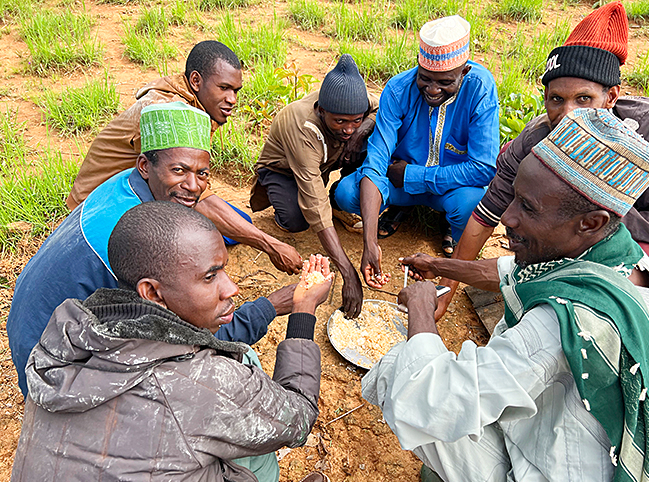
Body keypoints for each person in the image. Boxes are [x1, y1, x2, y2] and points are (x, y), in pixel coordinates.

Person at [365, 109, 649, 482]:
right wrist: (444, 266)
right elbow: (514, 274)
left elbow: (432, 399)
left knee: (401, 375)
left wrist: (420, 309)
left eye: (529, 208)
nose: (508, 217)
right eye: (514, 196)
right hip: (608, 463)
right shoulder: (630, 262)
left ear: (591, 221)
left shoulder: (561, 322)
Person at [8, 201, 334, 482]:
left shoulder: (66, 340)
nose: (232, 288)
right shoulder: (206, 383)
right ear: (152, 292)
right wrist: (304, 311)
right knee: (254, 432)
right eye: (210, 277)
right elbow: (298, 417)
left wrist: (269, 306)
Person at [7, 102, 294, 397]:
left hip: (38, 331)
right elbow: (190, 338)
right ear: (145, 166)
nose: (193, 186)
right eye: (179, 170)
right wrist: (272, 306)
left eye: (202, 173)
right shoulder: (136, 240)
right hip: (53, 371)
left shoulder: (124, 185)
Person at [435, 1, 649, 320]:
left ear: (611, 97)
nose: (568, 115)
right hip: (577, 233)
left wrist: (596, 220)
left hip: (642, 243)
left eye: (584, 99)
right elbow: (486, 215)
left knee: (598, 294)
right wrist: (445, 290)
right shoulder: (535, 138)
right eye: (556, 99)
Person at [66, 39, 302, 274]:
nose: (232, 99)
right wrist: (270, 245)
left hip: (140, 188)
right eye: (224, 88)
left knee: (237, 224)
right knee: (191, 250)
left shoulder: (189, 103)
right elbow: (195, 195)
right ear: (196, 81)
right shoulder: (170, 113)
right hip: (100, 208)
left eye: (236, 91)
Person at [333, 15, 499, 289]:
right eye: (425, 79)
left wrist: (414, 176)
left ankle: (455, 234)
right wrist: (370, 243)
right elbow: (376, 163)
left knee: (471, 208)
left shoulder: (480, 87)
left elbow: (483, 167)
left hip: (444, 185)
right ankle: (401, 206)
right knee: (347, 194)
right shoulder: (399, 88)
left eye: (445, 82)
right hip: (399, 179)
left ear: (464, 71)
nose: (432, 90)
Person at [252, 54, 379, 318]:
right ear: (321, 110)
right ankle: (282, 209)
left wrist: (362, 130)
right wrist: (348, 271)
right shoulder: (300, 125)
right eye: (340, 122)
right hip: (283, 170)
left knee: (373, 142)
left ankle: (339, 198)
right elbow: (314, 202)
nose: (347, 128)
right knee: (298, 219)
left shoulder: (359, 108)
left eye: (355, 119)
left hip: (322, 164)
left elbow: (382, 108)